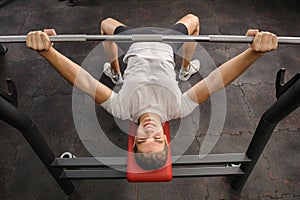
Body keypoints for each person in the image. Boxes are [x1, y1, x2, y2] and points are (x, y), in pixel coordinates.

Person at [26, 14, 278, 170]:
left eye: (142, 141)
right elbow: (217, 80)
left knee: (105, 24)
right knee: (194, 20)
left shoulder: (122, 108)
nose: (149, 133)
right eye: (157, 140)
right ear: (166, 138)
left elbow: (84, 81)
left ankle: (116, 72)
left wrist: (48, 52)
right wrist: (253, 53)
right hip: (167, 44)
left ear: (133, 140)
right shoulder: (178, 107)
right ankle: (186, 68)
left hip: (135, 42)